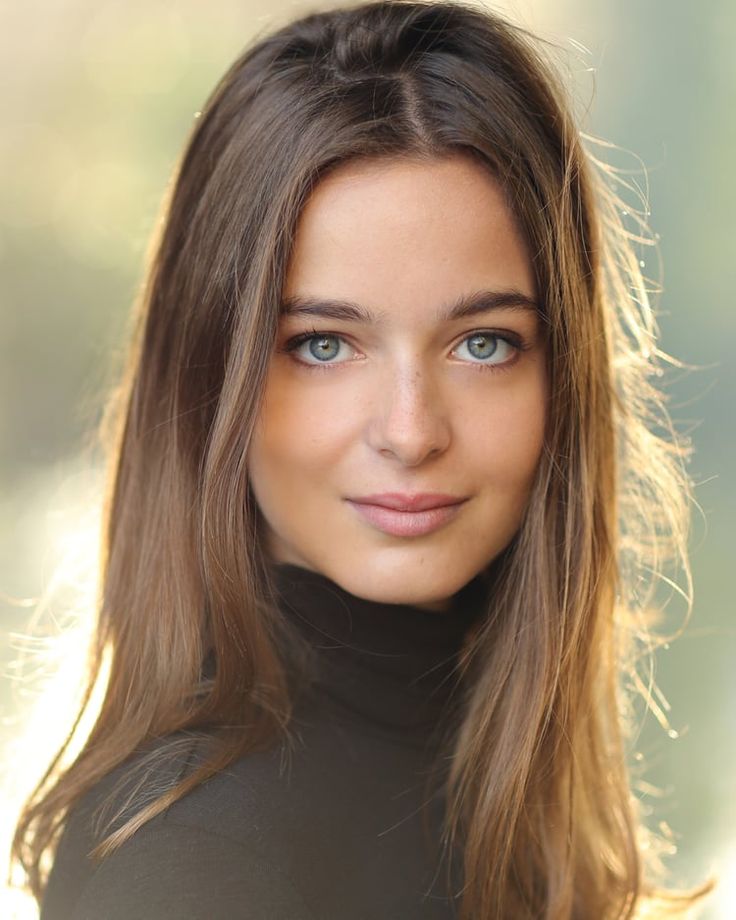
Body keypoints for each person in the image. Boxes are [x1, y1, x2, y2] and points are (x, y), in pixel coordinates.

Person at [8, 1, 715, 917]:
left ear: (565, 378)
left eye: (485, 343)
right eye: (323, 345)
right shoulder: (188, 855)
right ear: (205, 377)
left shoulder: (498, 795)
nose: (412, 431)